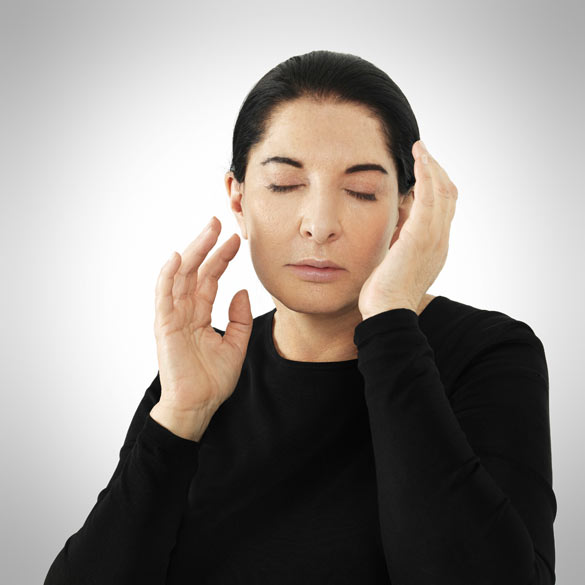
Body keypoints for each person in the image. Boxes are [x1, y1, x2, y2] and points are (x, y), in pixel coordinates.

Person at [44, 50, 556, 584]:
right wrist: (181, 415)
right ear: (238, 199)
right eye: (285, 185)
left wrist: (389, 320)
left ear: (405, 212)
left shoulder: (489, 354)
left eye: (360, 191)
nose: (319, 224)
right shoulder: (204, 371)